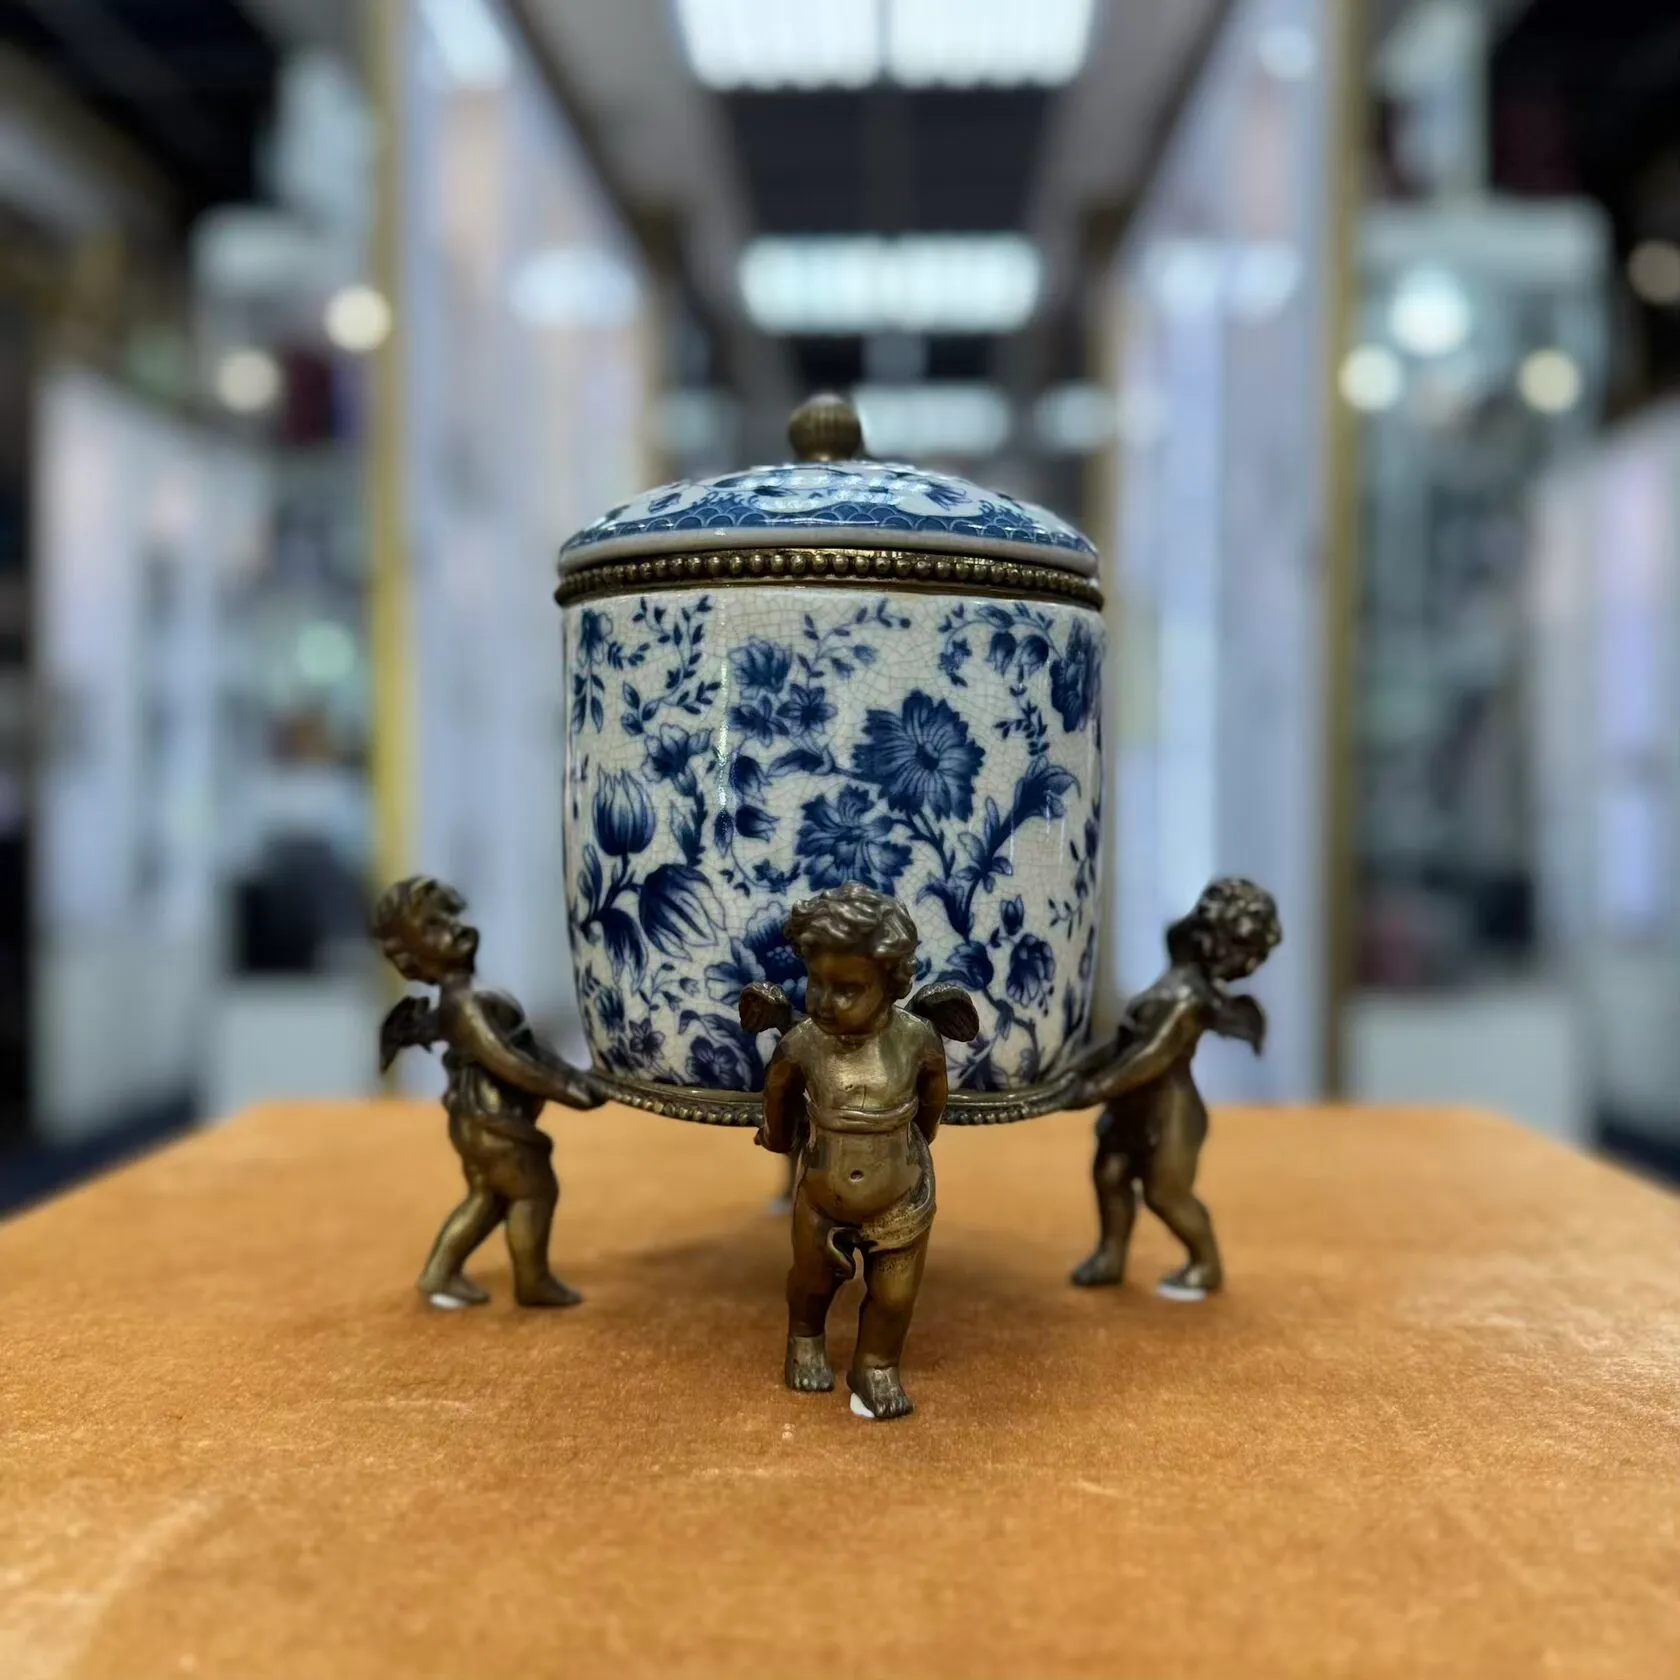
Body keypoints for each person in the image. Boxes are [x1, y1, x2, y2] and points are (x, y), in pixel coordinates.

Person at [753, 883, 959, 1420]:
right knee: (810, 1282)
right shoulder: (802, 1043)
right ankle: (804, 1337)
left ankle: (876, 1365)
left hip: (901, 1199)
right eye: (816, 983)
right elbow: (777, 1092)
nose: (824, 1002)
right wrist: (777, 1135)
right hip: (822, 1198)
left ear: (891, 984)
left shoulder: (916, 1040)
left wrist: (916, 1141)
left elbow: (934, 1097)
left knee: (895, 1295)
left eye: (847, 989)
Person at [372, 876, 601, 1309]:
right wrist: (571, 1089)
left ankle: (440, 1273)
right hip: (494, 1122)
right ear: (411, 958)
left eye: (451, 916)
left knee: (490, 1197)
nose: (454, 927)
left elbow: (528, 1050)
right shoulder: (466, 1004)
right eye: (434, 926)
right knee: (534, 1192)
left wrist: (576, 1078)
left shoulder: (465, 997)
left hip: (477, 1122)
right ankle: (533, 1282)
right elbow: (508, 1061)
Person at [1069, 877, 1281, 1300]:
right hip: (1130, 1109)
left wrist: (1094, 1087)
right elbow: (1126, 1041)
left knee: (1165, 1194)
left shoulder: (1189, 1000)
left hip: (1170, 1117)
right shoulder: (1175, 977)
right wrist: (1077, 1067)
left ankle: (1205, 1262)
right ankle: (1110, 1255)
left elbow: (1149, 1057)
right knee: (1110, 1174)